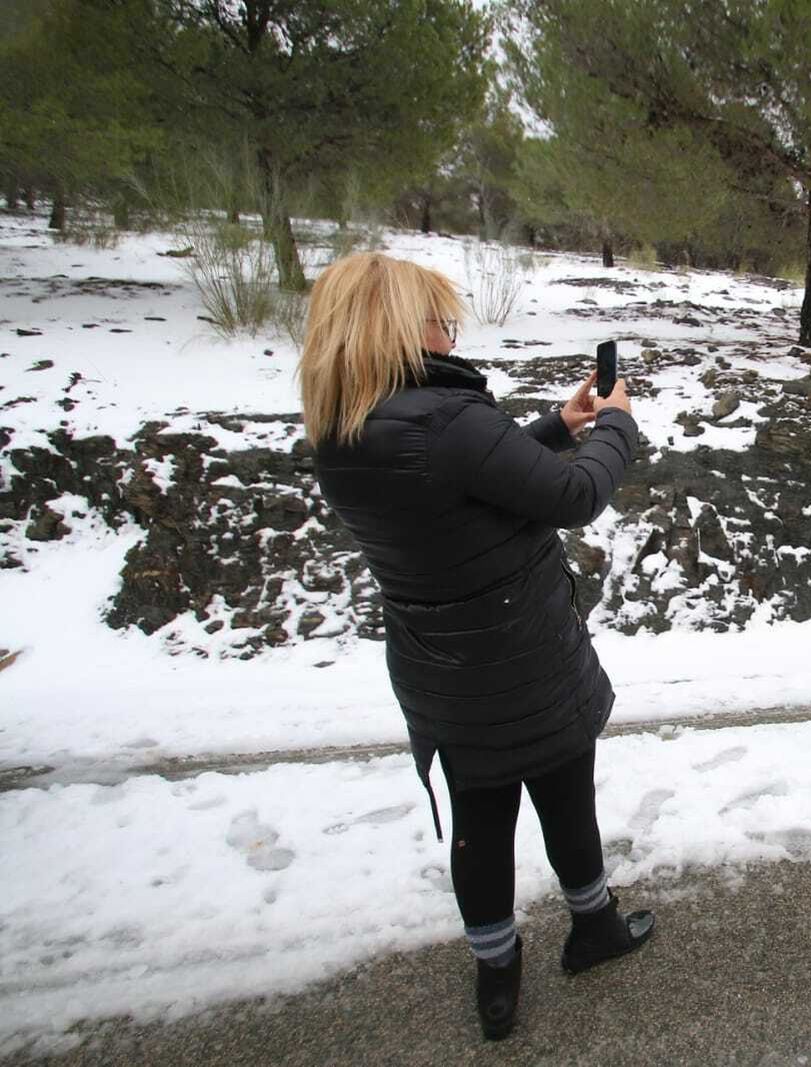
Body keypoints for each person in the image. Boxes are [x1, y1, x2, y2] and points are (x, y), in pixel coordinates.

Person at [297, 252, 653, 1042]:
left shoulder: (344, 426)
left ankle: (498, 980)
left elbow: (455, 479)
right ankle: (592, 929)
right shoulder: (448, 420)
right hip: (524, 653)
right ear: (393, 324)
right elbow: (574, 495)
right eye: (435, 318)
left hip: (439, 667)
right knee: (565, 796)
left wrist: (555, 428)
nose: (447, 332)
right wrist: (617, 422)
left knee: (479, 819)